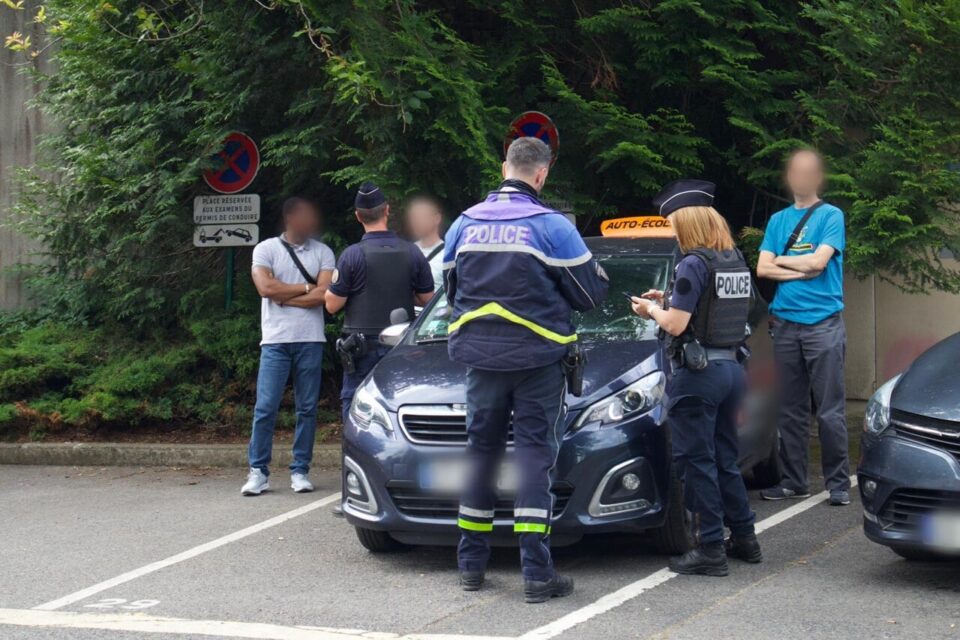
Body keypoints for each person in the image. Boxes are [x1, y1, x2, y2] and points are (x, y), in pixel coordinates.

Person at [444, 137, 609, 603]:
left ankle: (471, 566)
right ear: (543, 174)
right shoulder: (551, 226)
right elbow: (589, 296)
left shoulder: (464, 223)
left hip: (480, 360)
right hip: (539, 360)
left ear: (505, 168)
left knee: (480, 455)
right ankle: (537, 574)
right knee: (534, 457)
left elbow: (452, 290)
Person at [631, 179, 760, 576]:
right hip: (732, 371)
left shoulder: (692, 263)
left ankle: (709, 550)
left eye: (672, 222)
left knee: (696, 462)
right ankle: (745, 539)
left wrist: (652, 311)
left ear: (687, 222)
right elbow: (726, 309)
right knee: (724, 458)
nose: (671, 229)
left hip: (698, 376)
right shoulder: (733, 258)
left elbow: (676, 324)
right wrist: (668, 298)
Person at [755, 149, 850, 506]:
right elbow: (763, 268)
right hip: (785, 325)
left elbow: (821, 262)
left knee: (829, 410)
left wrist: (782, 260)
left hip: (823, 324)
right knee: (790, 410)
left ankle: (838, 484)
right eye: (796, 171)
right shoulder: (778, 220)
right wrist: (798, 265)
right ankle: (795, 481)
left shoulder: (831, 215)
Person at [242, 197, 336, 496]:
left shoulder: (323, 252)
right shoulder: (266, 249)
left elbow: (324, 295)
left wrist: (285, 294)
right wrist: (305, 288)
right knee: (265, 407)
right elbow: (265, 288)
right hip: (275, 340)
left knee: (307, 409)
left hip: (310, 339)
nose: (312, 222)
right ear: (291, 219)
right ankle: (258, 471)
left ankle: (300, 470)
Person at [325, 182, 435, 422]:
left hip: (360, 347)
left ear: (357, 216)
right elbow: (429, 300)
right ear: (386, 210)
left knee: (355, 403)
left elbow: (332, 305)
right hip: (400, 344)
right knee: (399, 404)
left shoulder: (352, 255)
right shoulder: (412, 252)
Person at [406, 195, 445, 291]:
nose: (416, 221)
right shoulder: (407, 251)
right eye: (413, 217)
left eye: (421, 216)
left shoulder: (449, 254)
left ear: (437, 218)